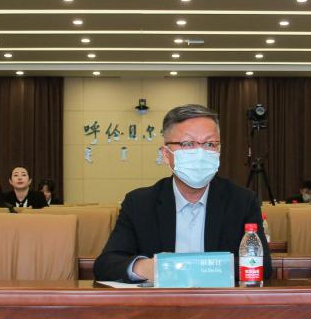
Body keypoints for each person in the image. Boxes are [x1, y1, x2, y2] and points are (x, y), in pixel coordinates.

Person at [94, 104, 272, 283]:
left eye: (210, 144)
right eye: (188, 144)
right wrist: (148, 268)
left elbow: (262, 266)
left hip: (218, 300)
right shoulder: (139, 204)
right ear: (166, 154)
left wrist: (186, 268)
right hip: (161, 300)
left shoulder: (242, 201)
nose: (200, 153)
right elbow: (106, 265)